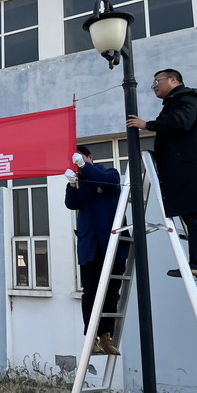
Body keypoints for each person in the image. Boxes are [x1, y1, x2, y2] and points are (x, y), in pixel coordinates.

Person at [127, 69, 197, 280]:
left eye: (157, 81)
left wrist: (147, 125)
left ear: (173, 80)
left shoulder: (186, 98)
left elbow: (180, 122)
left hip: (190, 170)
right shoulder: (183, 100)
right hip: (194, 170)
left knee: (193, 214)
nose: (154, 86)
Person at [65, 145, 129, 355]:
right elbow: (72, 203)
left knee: (111, 293)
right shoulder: (79, 180)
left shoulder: (108, 173)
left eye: (80, 158)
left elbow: (109, 183)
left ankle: (106, 336)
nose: (77, 163)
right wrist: (72, 184)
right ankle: (91, 336)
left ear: (90, 157)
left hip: (113, 246)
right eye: (75, 160)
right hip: (90, 247)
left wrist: (86, 167)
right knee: (90, 293)